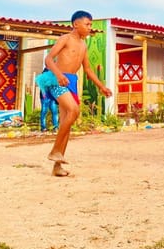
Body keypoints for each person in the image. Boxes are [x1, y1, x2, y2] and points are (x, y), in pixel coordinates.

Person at [36, 10, 112, 177]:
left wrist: (101, 86)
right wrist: (59, 74)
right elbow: (48, 59)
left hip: (71, 83)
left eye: (91, 24)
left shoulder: (83, 45)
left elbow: (89, 70)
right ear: (76, 24)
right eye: (87, 24)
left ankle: (57, 167)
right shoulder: (65, 39)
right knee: (74, 111)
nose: (90, 27)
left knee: (67, 123)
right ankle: (55, 150)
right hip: (56, 80)